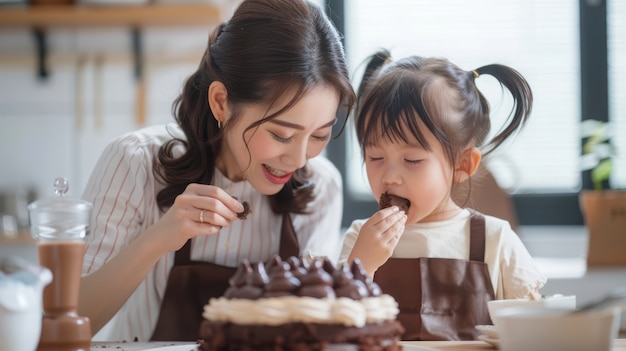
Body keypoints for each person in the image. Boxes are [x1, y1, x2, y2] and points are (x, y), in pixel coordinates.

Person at [77, 0, 356, 342]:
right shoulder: (134, 162)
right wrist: (156, 240)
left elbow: (314, 330)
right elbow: (69, 319)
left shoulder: (321, 186)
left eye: (319, 135)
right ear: (221, 102)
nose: (299, 159)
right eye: (281, 134)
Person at [338, 50, 546, 341]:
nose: (390, 177)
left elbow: (533, 331)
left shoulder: (494, 239)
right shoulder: (361, 237)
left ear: (461, 165)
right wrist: (363, 265)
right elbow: (336, 330)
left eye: (412, 160)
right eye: (375, 157)